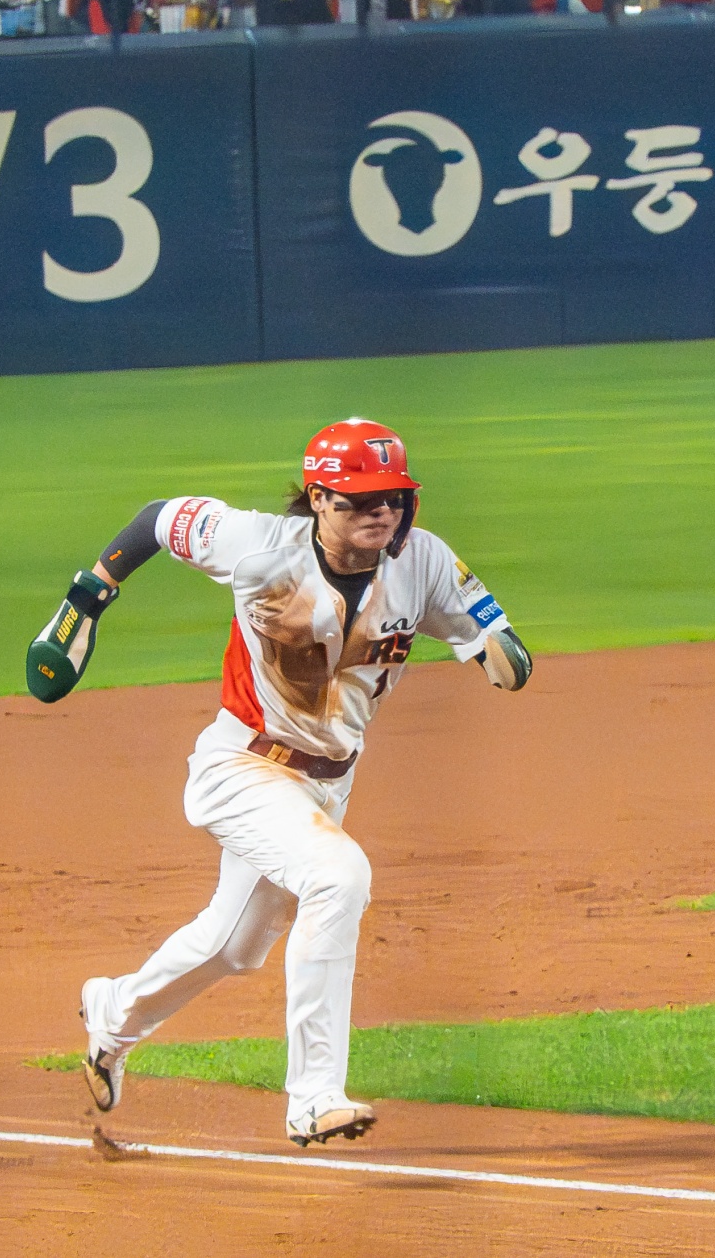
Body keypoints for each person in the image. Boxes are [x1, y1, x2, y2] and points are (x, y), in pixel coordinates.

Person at [28, 419, 532, 1147]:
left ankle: (114, 1016)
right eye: (361, 499)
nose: (381, 512)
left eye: (393, 497)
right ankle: (313, 1097)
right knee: (338, 876)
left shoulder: (422, 559)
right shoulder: (256, 545)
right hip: (242, 767)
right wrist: (87, 598)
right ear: (319, 499)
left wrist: (498, 650)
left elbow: (488, 632)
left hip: (328, 785)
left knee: (234, 945)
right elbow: (158, 520)